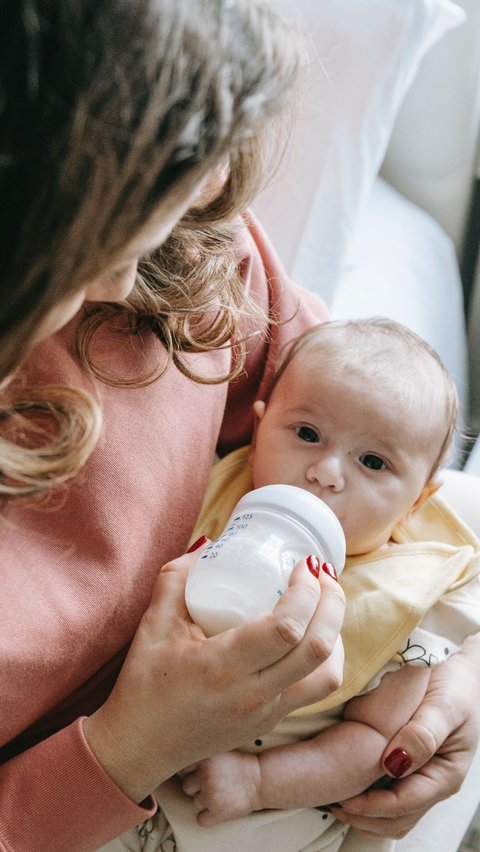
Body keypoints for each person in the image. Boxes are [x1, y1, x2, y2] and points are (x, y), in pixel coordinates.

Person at [0, 2, 479, 851]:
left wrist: (454, 674)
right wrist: (127, 749)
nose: (198, 220)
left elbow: (378, 435)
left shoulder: (187, 249)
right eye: (126, 208)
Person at [162, 318, 480, 851]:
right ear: (259, 428)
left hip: (263, 812)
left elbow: (374, 742)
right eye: (307, 434)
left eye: (373, 462)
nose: (327, 471)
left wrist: (260, 781)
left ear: (417, 502)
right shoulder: (207, 493)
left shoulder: (399, 599)